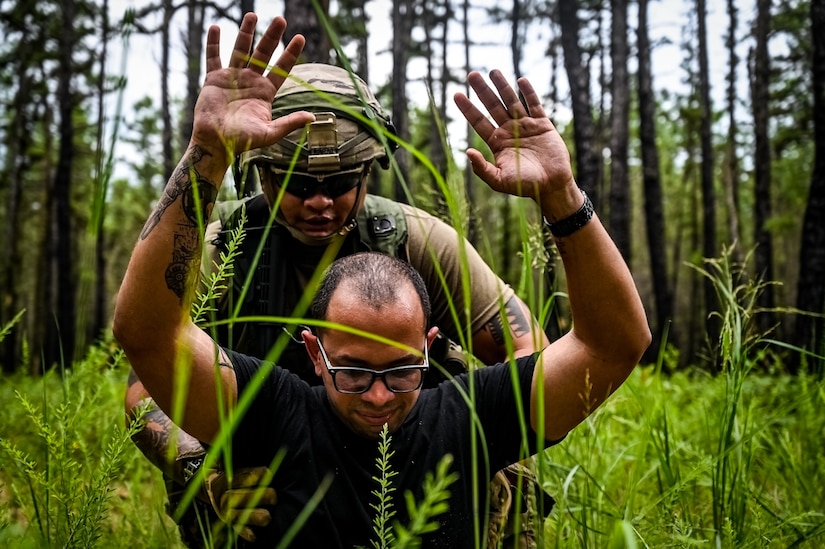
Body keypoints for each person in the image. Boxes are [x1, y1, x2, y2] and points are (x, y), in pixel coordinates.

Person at [114, 12, 651, 549]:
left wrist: (486, 446)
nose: (319, 202)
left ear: (369, 172)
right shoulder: (219, 250)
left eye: (340, 182)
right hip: (258, 447)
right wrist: (201, 468)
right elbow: (148, 365)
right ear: (262, 173)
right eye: (297, 184)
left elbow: (532, 351)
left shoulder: (419, 242)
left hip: (425, 452)